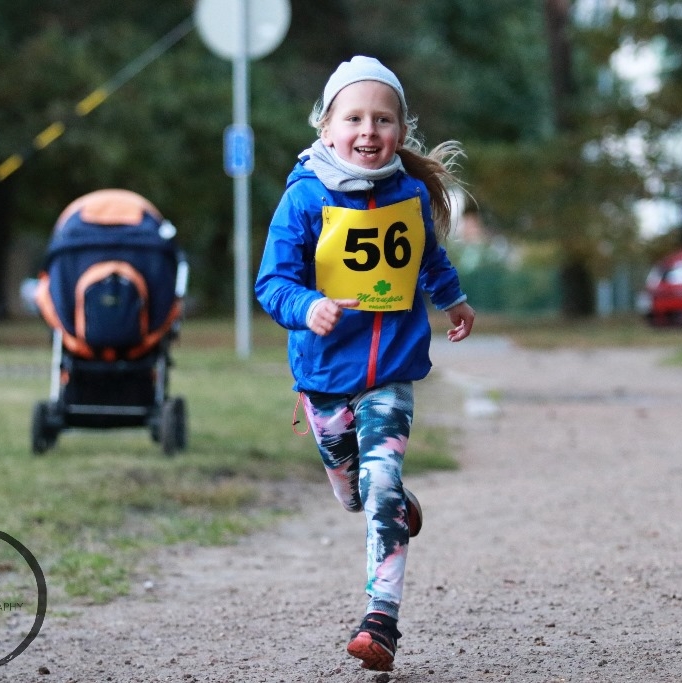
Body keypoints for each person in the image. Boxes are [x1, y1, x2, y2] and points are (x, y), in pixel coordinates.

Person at [255, 55, 476, 672]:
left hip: (391, 372)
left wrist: (453, 301)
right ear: (326, 128)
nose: (368, 130)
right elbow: (272, 283)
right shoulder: (302, 198)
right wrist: (309, 306)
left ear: (400, 132)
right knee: (353, 493)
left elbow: (429, 260)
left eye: (383, 119)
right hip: (324, 376)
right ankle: (392, 503)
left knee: (378, 488)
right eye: (353, 117)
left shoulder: (407, 193)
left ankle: (380, 620)